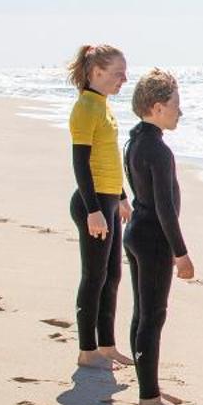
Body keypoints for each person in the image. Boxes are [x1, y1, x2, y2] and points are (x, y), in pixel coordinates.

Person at [123, 69, 195, 405]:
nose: (180, 111)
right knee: (153, 317)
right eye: (175, 105)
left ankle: (148, 386)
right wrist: (180, 254)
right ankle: (149, 398)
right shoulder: (159, 150)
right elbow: (166, 208)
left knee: (142, 315)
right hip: (153, 238)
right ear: (156, 107)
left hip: (136, 231)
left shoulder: (135, 140)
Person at [67, 43, 132, 371]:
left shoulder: (103, 105)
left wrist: (120, 196)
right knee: (94, 276)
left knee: (113, 275)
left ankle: (107, 346)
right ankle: (87, 349)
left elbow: (107, 157)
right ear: (96, 72)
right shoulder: (85, 108)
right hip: (91, 203)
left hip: (107, 201)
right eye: (119, 73)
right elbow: (80, 163)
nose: (124, 79)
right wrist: (94, 209)